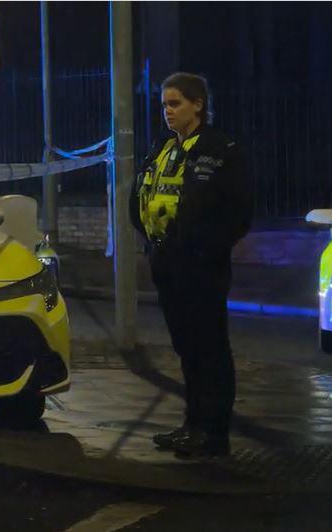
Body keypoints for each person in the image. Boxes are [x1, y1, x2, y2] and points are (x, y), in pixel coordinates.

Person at [128, 72, 253, 458]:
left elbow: (238, 212)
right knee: (186, 347)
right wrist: (152, 243)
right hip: (166, 260)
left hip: (200, 265)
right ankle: (192, 424)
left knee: (209, 349)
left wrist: (202, 250)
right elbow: (145, 192)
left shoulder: (221, 149)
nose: (167, 111)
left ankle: (213, 433)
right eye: (164, 104)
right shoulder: (165, 147)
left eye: (175, 103)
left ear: (197, 104)